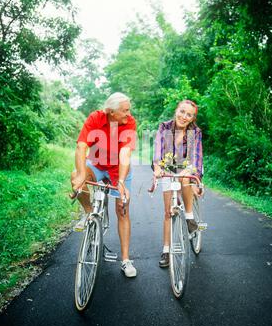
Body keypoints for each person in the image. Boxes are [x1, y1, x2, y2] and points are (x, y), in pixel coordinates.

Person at [71, 92, 137, 277]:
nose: (128, 113)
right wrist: (83, 174)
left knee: (122, 209)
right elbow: (81, 147)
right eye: (124, 110)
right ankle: (88, 213)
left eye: (128, 110)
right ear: (111, 112)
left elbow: (125, 153)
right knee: (75, 175)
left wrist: (122, 182)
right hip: (98, 164)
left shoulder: (129, 122)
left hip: (119, 170)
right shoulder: (95, 118)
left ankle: (125, 260)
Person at [152, 99, 203, 268]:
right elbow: (158, 149)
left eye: (189, 115)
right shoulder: (164, 127)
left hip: (187, 168)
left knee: (184, 176)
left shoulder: (195, 131)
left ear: (192, 118)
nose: (184, 116)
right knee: (168, 212)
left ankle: (189, 218)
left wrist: (196, 178)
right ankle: (166, 251)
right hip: (167, 169)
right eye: (182, 111)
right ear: (176, 110)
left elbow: (197, 156)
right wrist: (157, 167)